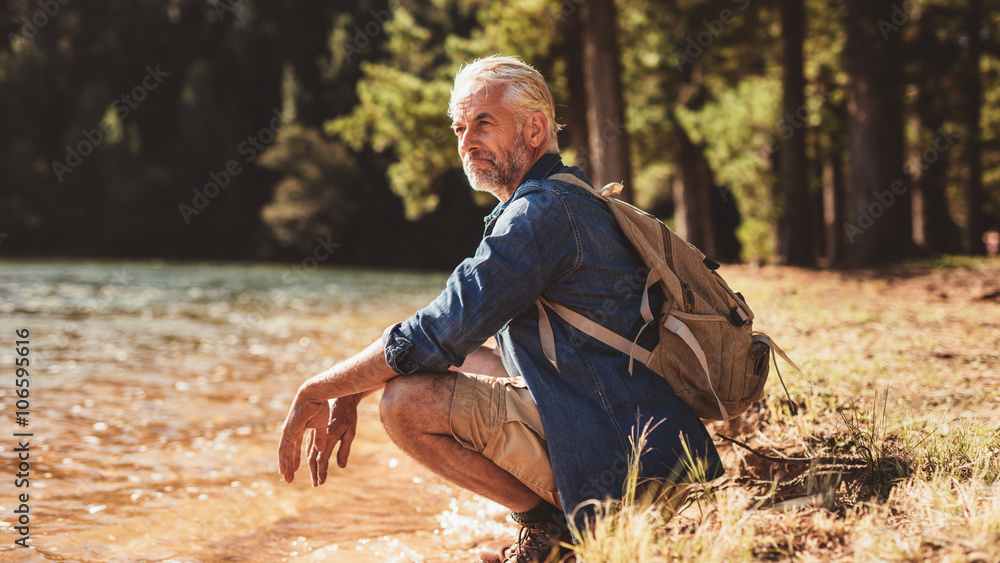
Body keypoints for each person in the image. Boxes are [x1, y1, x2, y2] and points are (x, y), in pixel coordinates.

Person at [277, 55, 723, 562]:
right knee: (452, 361)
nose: (467, 142)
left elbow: (433, 331)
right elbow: (444, 337)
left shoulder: (540, 215)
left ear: (535, 129)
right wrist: (353, 386)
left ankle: (551, 529)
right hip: (649, 439)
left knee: (403, 403)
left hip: (621, 463)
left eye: (484, 123)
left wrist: (317, 388)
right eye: (460, 127)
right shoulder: (565, 196)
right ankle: (555, 517)